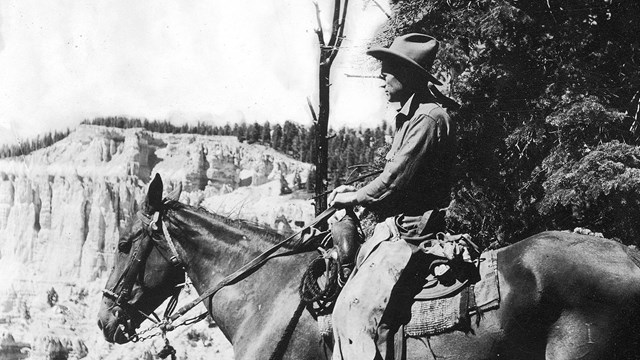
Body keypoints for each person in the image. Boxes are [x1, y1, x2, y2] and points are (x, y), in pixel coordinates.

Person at [328, 33, 456, 360]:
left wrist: (354, 197)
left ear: (409, 74)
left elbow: (393, 181)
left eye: (387, 71)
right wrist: (352, 193)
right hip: (396, 228)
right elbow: (398, 176)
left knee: (356, 315)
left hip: (413, 232)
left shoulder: (428, 118)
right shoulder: (411, 117)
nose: (381, 77)